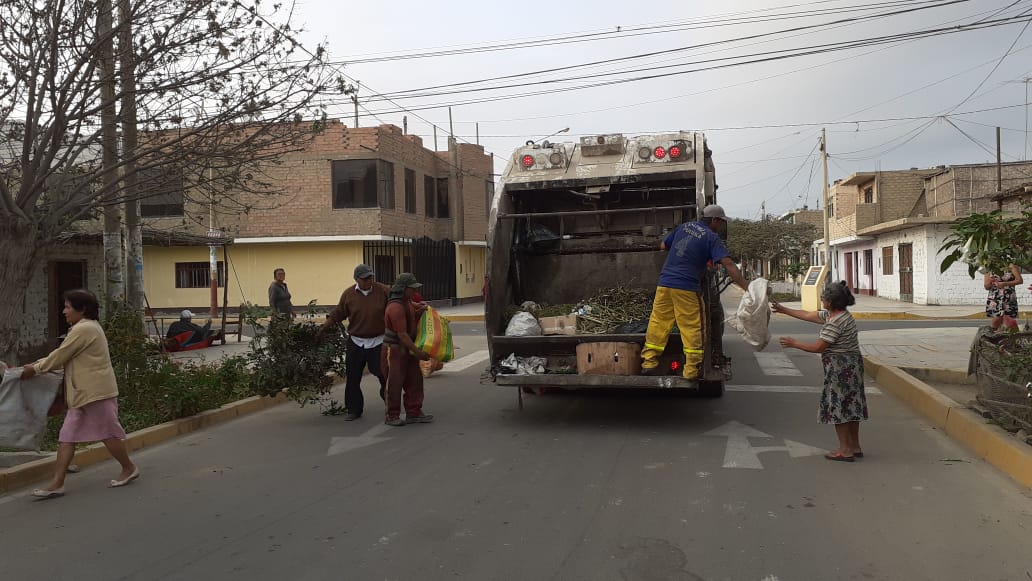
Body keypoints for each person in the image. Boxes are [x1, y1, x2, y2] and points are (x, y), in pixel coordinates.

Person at [21, 289, 139, 498]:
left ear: (82, 309)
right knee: (67, 436)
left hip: (96, 392)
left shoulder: (84, 329)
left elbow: (60, 355)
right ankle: (57, 483)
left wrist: (34, 369)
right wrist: (34, 366)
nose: (64, 311)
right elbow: (62, 356)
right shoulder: (83, 328)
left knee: (108, 433)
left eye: (67, 307)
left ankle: (129, 468)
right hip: (82, 393)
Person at [641, 204, 749, 379]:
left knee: (658, 322)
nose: (721, 226)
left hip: (665, 284)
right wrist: (746, 286)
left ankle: (649, 361)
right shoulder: (711, 238)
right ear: (714, 220)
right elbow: (728, 264)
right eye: (721, 222)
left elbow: (662, 245)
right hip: (686, 287)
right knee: (693, 326)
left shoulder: (683, 227)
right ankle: (691, 370)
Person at [773, 281, 868, 462]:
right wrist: (784, 310)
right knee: (852, 405)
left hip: (841, 369)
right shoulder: (840, 315)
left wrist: (794, 343)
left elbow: (819, 347)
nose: (821, 301)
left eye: (823, 299)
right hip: (853, 366)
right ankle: (855, 446)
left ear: (830, 302)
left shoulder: (835, 323)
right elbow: (808, 315)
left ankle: (844, 450)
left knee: (838, 407)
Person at [321, 264, 391, 421]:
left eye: (370, 277)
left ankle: (390, 405)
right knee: (352, 377)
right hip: (356, 342)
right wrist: (323, 329)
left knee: (383, 374)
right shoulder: (348, 294)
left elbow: (395, 307)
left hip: (378, 341)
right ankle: (354, 410)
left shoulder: (384, 291)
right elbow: (338, 313)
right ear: (356, 279)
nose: (368, 281)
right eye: (365, 278)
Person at [383, 273, 432, 427]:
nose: (415, 292)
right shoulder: (395, 307)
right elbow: (402, 335)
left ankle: (414, 412)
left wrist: (422, 309)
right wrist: (418, 353)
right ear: (403, 289)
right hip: (394, 350)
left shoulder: (407, 302)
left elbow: (411, 317)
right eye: (412, 289)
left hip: (407, 349)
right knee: (395, 383)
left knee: (415, 380)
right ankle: (392, 415)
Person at [985, 264, 1023, 332]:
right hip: (995, 298)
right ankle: (995, 338)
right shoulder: (990, 267)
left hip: (1008, 297)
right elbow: (986, 287)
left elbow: (1020, 280)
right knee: (996, 319)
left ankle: (1011, 338)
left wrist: (1004, 283)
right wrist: (989, 282)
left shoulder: (1010, 266)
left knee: (1009, 320)